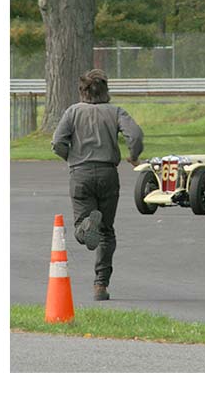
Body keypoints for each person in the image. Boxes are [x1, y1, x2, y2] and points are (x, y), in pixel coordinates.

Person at [50, 69, 144, 301]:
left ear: (82, 91)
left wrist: (70, 158)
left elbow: (57, 142)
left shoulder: (72, 112)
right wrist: (133, 155)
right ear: (106, 91)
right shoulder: (115, 112)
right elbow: (135, 135)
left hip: (81, 174)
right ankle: (100, 285)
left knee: (82, 228)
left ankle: (85, 227)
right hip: (107, 174)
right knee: (106, 232)